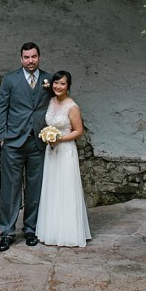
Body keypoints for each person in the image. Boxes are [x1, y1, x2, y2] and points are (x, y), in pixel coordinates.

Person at [0, 42, 51, 251]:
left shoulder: (48, 78)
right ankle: (7, 233)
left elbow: (55, 104)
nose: (30, 61)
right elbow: (2, 108)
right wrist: (2, 136)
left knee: (35, 188)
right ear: (21, 59)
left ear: (39, 57)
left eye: (34, 57)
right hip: (13, 142)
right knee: (10, 189)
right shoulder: (10, 79)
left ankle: (30, 229)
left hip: (38, 141)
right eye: (26, 57)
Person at [35, 70, 91, 247]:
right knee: (52, 189)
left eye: (62, 83)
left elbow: (78, 131)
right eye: (56, 83)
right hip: (51, 152)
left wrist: (58, 138)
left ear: (68, 86)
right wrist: (48, 137)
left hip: (65, 151)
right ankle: (51, 231)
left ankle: (69, 233)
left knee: (66, 189)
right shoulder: (50, 101)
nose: (58, 86)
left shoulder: (72, 106)